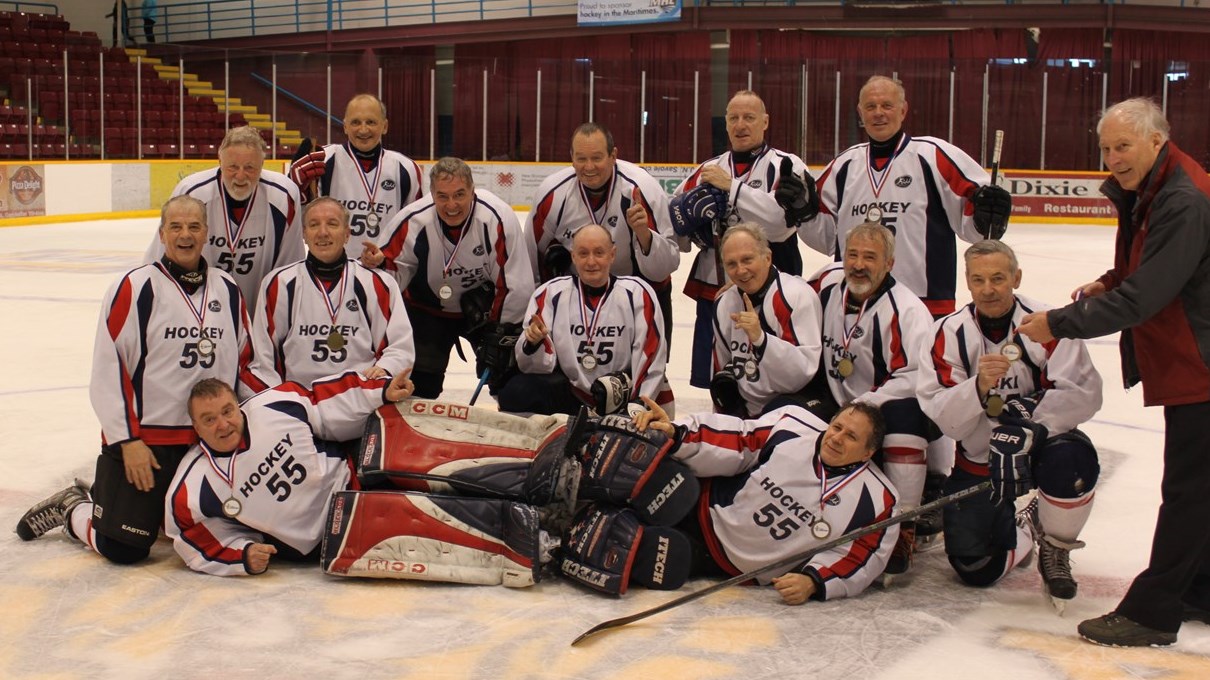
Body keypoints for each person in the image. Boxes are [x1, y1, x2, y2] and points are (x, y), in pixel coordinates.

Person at [1017, 98, 1210, 647]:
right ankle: (1200, 590)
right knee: (1200, 488)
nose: (1112, 158)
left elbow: (1146, 297)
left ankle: (1153, 612)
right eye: (1105, 148)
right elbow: (1154, 267)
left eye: (1123, 146)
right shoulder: (1157, 188)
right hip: (1193, 361)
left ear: (1156, 140)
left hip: (1201, 363)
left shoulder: (1181, 198)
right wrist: (1111, 278)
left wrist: (1058, 323)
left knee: (1189, 492)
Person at [16, 196, 260, 565]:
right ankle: (74, 507)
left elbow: (245, 362)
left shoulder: (226, 288)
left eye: (194, 227)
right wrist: (127, 441)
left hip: (207, 441)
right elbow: (108, 368)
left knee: (227, 526)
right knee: (123, 547)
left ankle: (123, 501)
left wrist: (257, 423)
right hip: (148, 443)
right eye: (176, 227)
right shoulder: (136, 287)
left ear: (206, 234)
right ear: (162, 234)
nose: (185, 235)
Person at [918, 240, 1102, 606]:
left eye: (998, 278)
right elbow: (945, 420)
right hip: (980, 459)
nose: (988, 289)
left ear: (1016, 278)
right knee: (976, 568)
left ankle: (1057, 546)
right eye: (978, 280)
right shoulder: (947, 333)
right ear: (967, 282)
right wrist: (978, 387)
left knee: (1072, 460)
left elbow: (1085, 394)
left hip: (1041, 451)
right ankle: (1026, 529)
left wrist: (1026, 425)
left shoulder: (1049, 323)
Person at [607, 399, 899, 603]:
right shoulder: (793, 426)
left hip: (723, 564)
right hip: (698, 505)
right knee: (631, 468)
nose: (836, 438)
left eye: (851, 437)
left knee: (626, 546)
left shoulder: (878, 500)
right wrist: (679, 432)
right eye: (836, 427)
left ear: (868, 453)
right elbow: (738, 438)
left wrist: (815, 581)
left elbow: (860, 557)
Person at [800, 75, 1012, 318]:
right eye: (870, 106)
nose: (878, 113)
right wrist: (803, 213)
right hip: (856, 303)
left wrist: (988, 215)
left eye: (887, 105)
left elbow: (978, 228)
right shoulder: (843, 166)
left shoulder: (933, 156)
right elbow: (828, 239)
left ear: (903, 110)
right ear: (860, 112)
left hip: (926, 306)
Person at [166, 371, 414, 576]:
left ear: (238, 406)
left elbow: (327, 401)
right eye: (209, 420)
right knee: (410, 529)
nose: (223, 424)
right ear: (196, 427)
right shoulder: (191, 489)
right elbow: (190, 540)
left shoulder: (274, 403)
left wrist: (381, 390)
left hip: (353, 483)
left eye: (227, 411)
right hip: (326, 543)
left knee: (404, 453)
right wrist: (241, 555)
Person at [809, 219, 934, 577]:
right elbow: (792, 297)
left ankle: (904, 525)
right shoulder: (827, 284)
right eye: (852, 255)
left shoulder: (907, 311)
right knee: (787, 411)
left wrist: (864, 407)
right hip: (838, 399)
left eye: (870, 257)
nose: (858, 264)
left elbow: (917, 377)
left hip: (886, 406)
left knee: (908, 422)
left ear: (889, 264)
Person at [672, 90, 818, 389]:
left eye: (749, 117)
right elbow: (674, 227)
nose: (741, 125)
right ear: (726, 124)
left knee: (773, 372)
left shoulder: (786, 165)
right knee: (720, 379)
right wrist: (691, 226)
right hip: (715, 286)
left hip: (775, 288)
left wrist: (733, 188)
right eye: (734, 118)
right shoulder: (708, 169)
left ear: (765, 122)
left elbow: (781, 227)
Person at [362, 157, 534, 399]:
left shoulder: (497, 218)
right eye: (442, 196)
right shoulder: (413, 220)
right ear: (431, 194)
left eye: (459, 194)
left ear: (473, 191)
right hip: (427, 311)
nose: (451, 205)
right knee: (420, 387)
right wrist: (380, 265)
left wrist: (499, 333)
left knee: (507, 381)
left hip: (484, 313)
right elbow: (388, 280)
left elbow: (516, 284)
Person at [525, 123, 680, 342]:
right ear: (571, 157)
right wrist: (539, 308)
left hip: (640, 296)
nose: (589, 167)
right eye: (581, 158)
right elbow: (531, 259)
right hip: (579, 297)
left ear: (613, 155)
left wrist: (644, 235)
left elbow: (666, 266)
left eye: (597, 158)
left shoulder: (642, 188)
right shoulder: (552, 194)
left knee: (647, 363)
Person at [498, 224, 668, 416]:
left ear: (612, 255)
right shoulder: (550, 293)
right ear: (573, 256)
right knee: (515, 391)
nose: (591, 261)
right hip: (570, 395)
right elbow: (534, 366)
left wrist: (637, 407)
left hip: (619, 397)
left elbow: (651, 355)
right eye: (583, 253)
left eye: (599, 253)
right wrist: (533, 343)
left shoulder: (637, 293)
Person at [249, 197, 414, 390]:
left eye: (332, 224)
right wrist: (281, 399)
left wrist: (385, 370)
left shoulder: (378, 283)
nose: (322, 233)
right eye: (314, 225)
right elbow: (263, 360)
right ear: (304, 234)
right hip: (299, 400)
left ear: (347, 234)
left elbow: (400, 348)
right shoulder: (279, 284)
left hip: (361, 397)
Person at [145, 126, 304, 308]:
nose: (240, 176)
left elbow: (291, 267)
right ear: (220, 161)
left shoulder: (284, 196)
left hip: (259, 313)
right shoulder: (191, 192)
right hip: (199, 314)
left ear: (262, 164)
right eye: (233, 167)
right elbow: (160, 259)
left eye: (250, 167)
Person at [287, 94, 426, 260]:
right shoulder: (323, 159)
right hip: (334, 268)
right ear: (345, 126)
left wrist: (388, 258)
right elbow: (304, 222)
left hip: (385, 270)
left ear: (385, 126)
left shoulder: (407, 169)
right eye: (355, 122)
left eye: (371, 122)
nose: (363, 130)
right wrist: (294, 191)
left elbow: (415, 230)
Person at [709, 222, 822, 418]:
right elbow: (722, 371)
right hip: (749, 409)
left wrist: (761, 340)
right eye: (731, 264)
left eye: (747, 260)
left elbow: (802, 375)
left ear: (767, 258)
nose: (740, 270)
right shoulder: (724, 303)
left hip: (797, 404)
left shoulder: (795, 295)